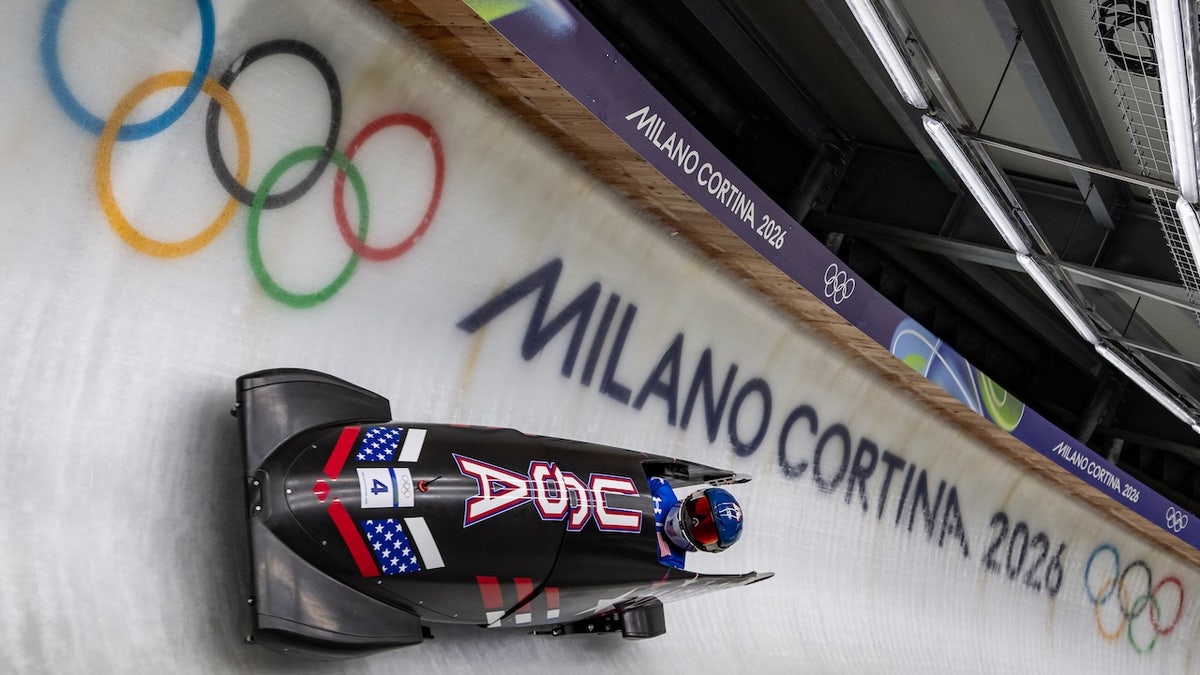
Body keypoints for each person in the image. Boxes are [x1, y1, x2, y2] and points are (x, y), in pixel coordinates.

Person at [648, 477, 743, 569]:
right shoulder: (660, 487)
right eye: (701, 508)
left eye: (707, 531)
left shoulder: (672, 562)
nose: (694, 522)